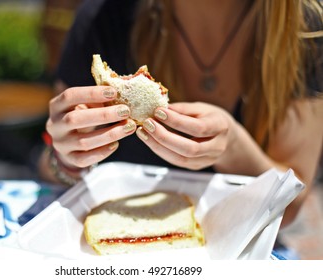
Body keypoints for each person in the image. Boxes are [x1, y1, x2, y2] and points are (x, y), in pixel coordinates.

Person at [39, 0, 323, 229]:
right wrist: (68, 159)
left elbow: (291, 206)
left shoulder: (305, 29)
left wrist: (233, 147)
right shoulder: (104, 15)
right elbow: (50, 165)